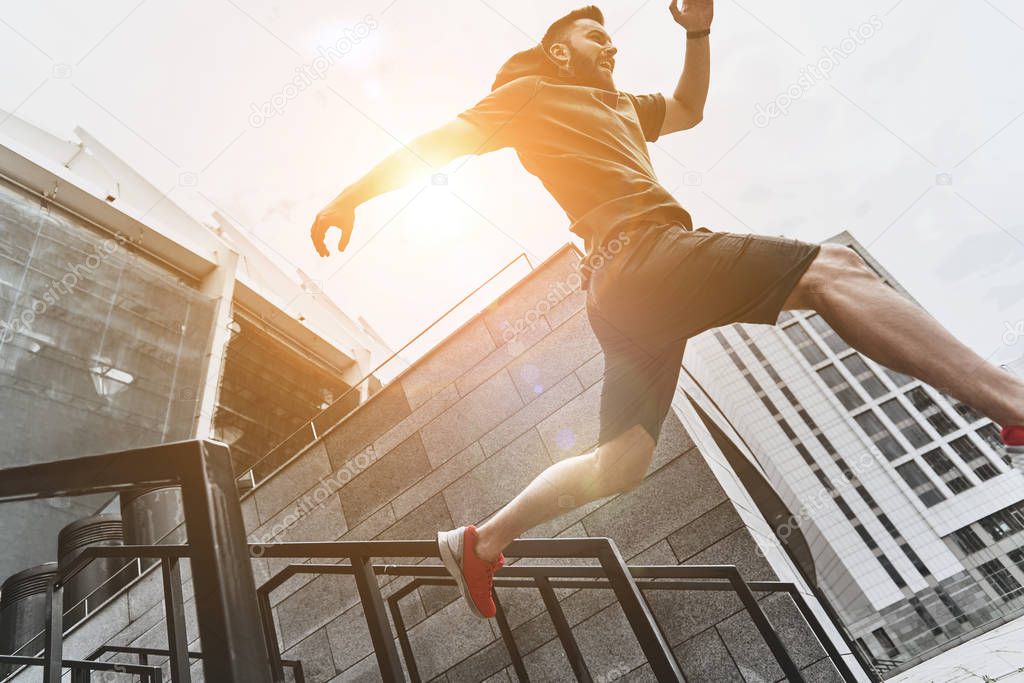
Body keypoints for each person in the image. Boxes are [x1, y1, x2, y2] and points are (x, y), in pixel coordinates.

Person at [309, 2, 1024, 620]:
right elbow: (439, 143)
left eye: (614, 39)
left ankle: (482, 540)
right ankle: (1012, 402)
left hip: (623, 294)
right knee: (833, 270)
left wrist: (700, 32)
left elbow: (688, 108)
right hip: (640, 253)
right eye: (597, 38)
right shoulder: (531, 92)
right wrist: (348, 195)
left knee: (622, 460)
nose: (612, 47)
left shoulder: (622, 106)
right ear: (560, 49)